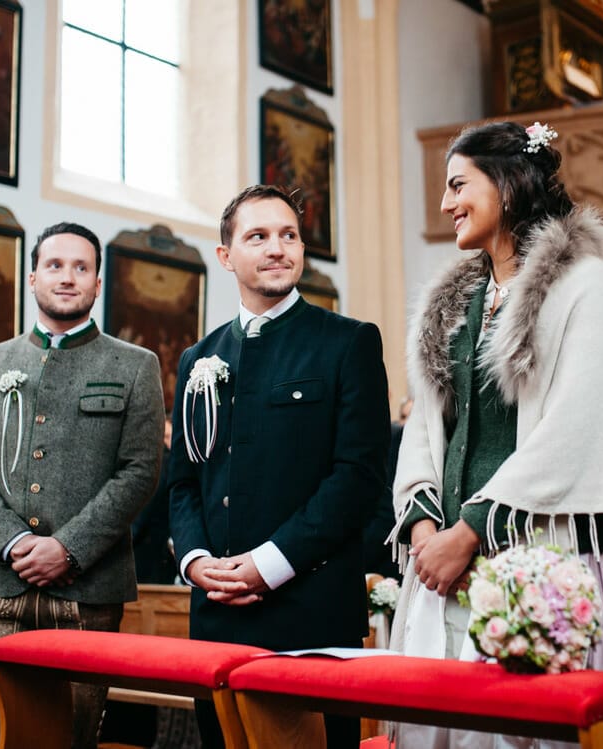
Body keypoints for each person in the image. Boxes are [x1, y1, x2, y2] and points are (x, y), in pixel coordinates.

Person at [388, 121, 603, 747]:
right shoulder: (457, 301)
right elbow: (427, 424)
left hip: (541, 551)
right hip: (445, 563)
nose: (445, 204)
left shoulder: (584, 285)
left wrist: (472, 528)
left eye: (459, 185)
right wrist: (427, 526)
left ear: (509, 187)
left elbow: (578, 425)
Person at [168, 185, 390, 749]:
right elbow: (183, 483)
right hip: (217, 615)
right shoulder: (199, 358)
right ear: (226, 257)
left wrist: (269, 564)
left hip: (309, 612)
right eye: (258, 236)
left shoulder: (348, 343)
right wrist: (196, 563)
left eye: (288, 235)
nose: (277, 248)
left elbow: (358, 478)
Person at [0, 222, 165, 749]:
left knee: (70, 736)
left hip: (87, 591)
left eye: (81, 267)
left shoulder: (135, 366)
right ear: (33, 276)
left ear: (97, 284)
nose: (68, 278)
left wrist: (68, 548)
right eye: (56, 266)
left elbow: (140, 471)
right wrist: (16, 543)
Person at [132, 418, 177, 585]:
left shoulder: (161, 464)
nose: (167, 443)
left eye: (169, 437)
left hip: (150, 560)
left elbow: (139, 519)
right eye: (164, 437)